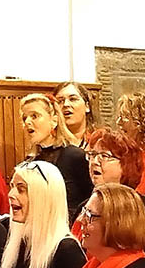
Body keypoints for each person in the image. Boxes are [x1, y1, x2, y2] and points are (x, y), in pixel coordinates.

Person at [21, 92, 92, 221]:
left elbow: (90, 198)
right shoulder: (29, 163)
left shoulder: (74, 156)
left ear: (54, 120)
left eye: (34, 116)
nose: (27, 122)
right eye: (24, 118)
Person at [53, 81, 96, 147]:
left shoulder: (99, 141)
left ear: (87, 106)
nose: (66, 104)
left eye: (73, 99)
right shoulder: (48, 143)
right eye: (60, 101)